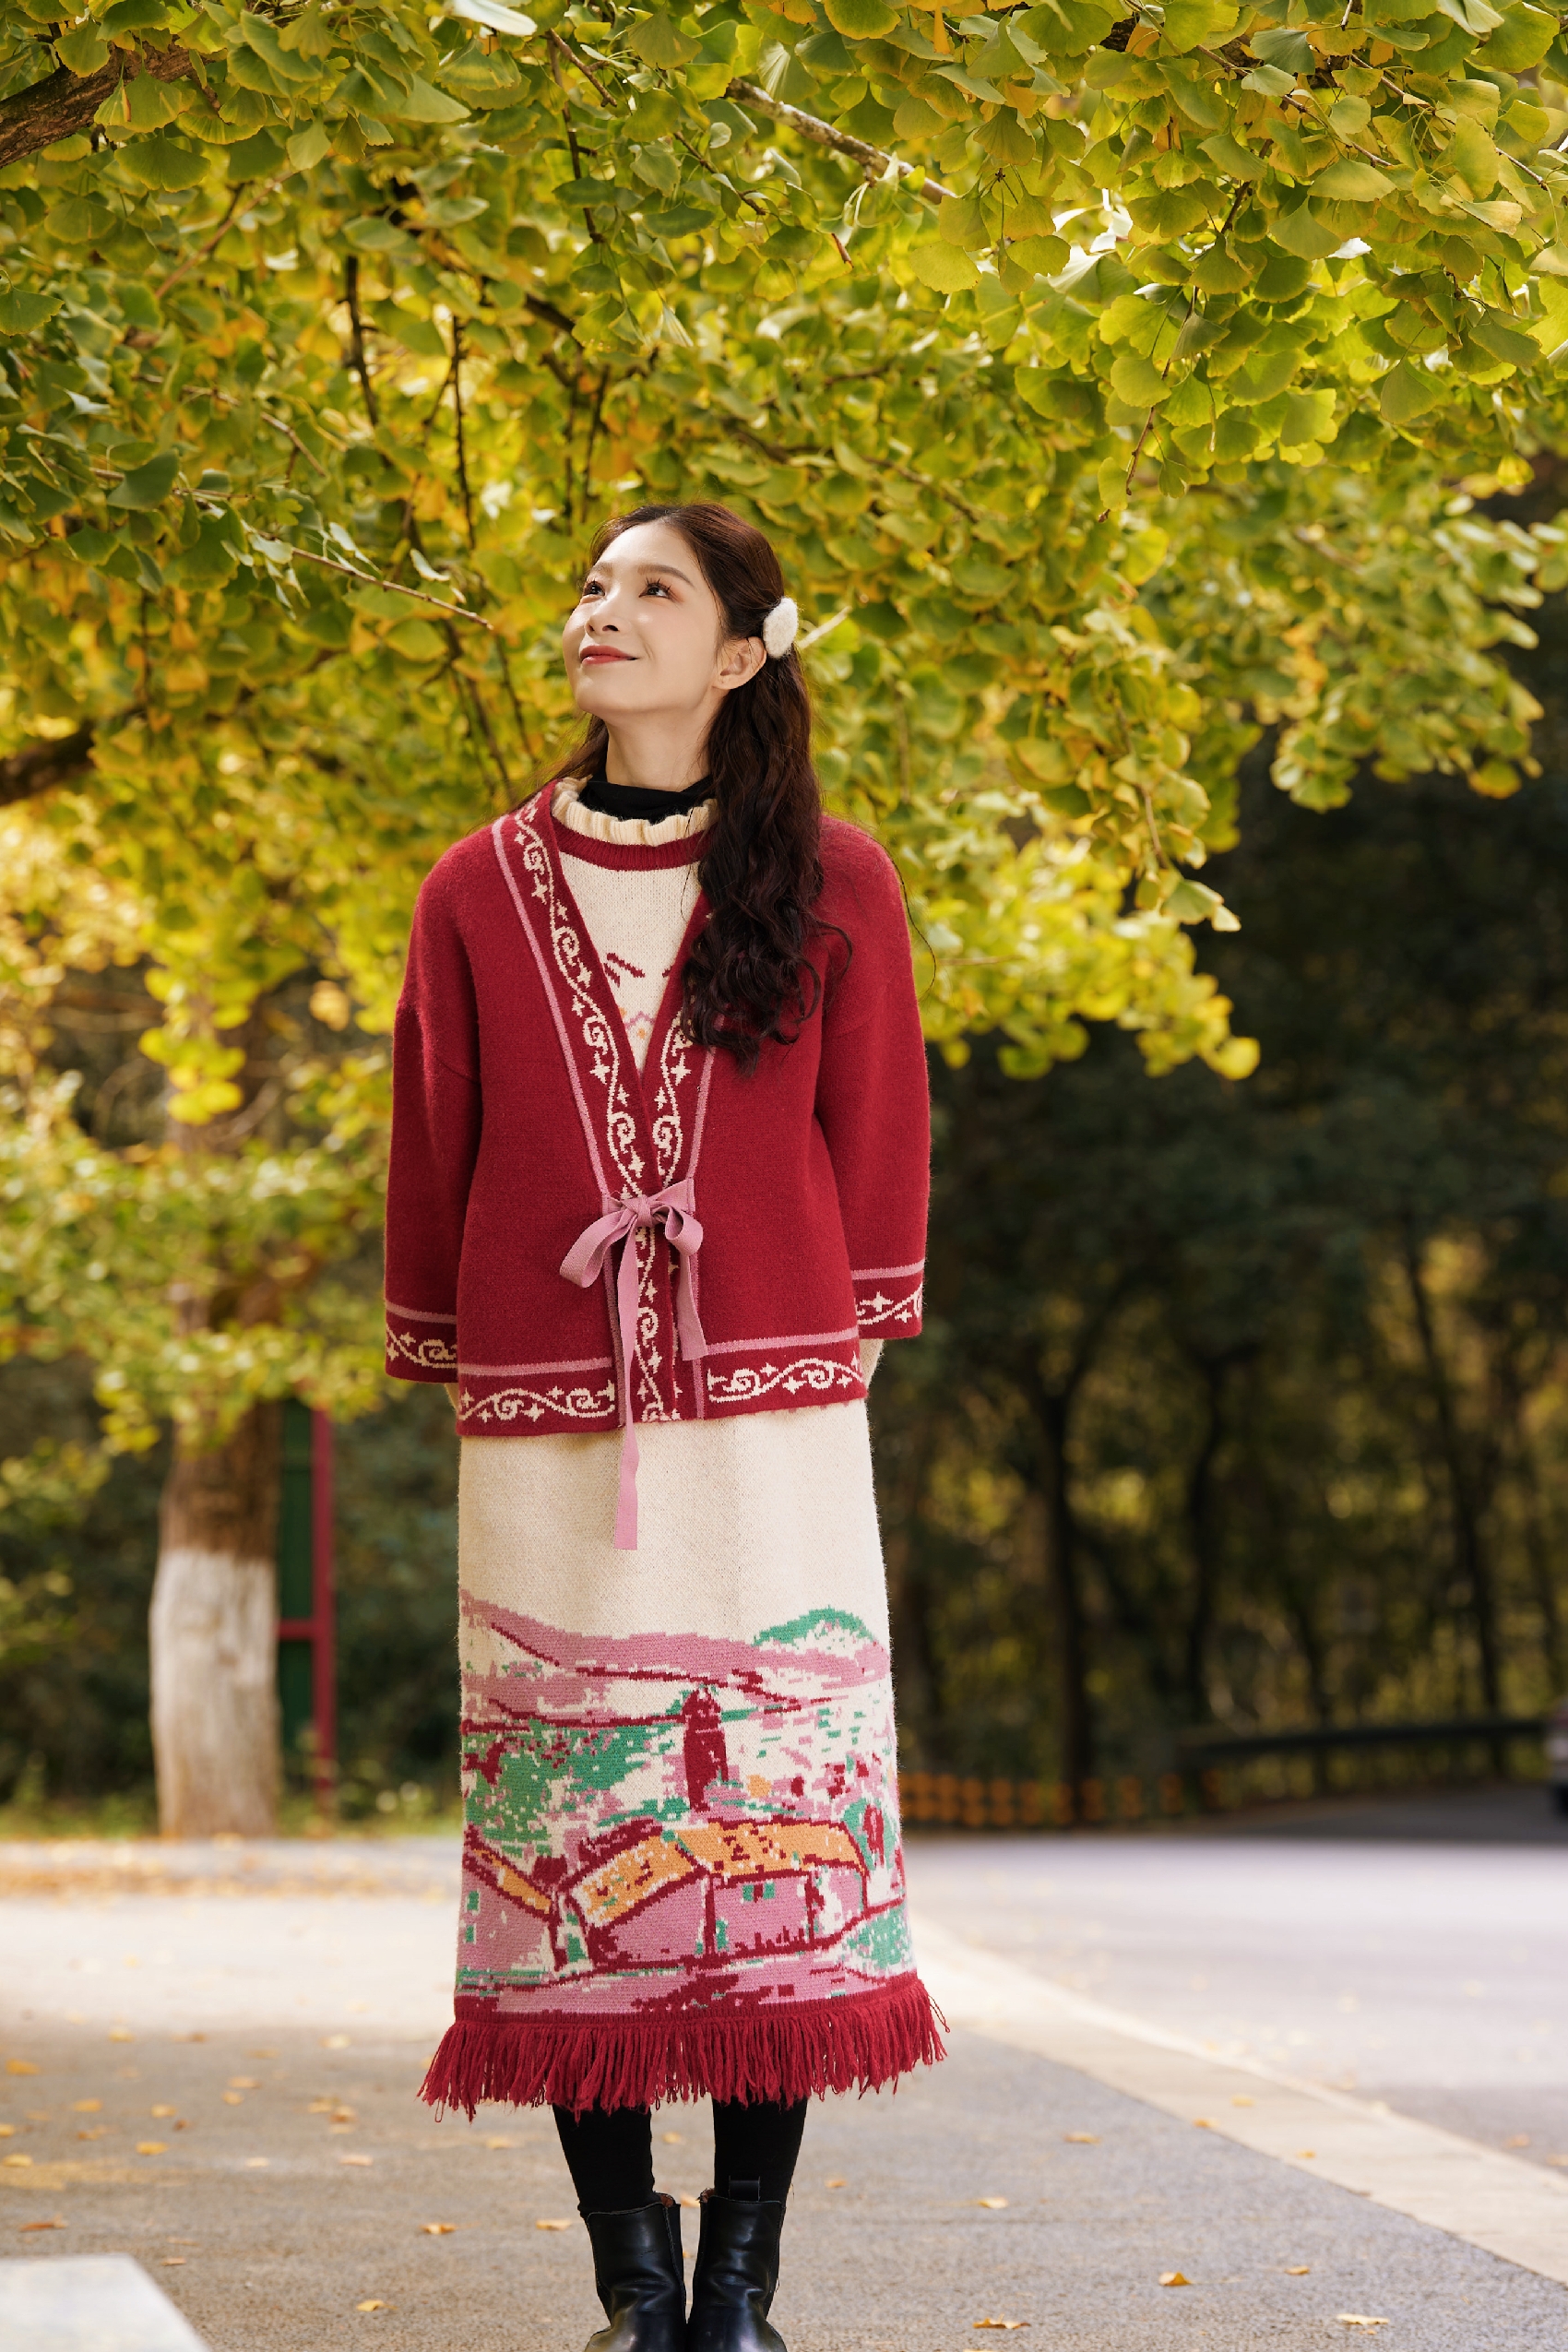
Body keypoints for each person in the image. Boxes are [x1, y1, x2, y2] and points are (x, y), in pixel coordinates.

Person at [384, 501, 941, 2352]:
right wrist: (470, 1358)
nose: (600, 610)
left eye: (652, 588)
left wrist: (834, 1361)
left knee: (774, 1815)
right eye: (591, 584)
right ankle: (633, 2290)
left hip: (778, 1427)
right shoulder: (473, 888)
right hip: (551, 1433)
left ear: (739, 652)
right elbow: (436, 1141)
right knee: (575, 1822)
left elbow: (878, 1138)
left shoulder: (839, 879)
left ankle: (743, 2293)